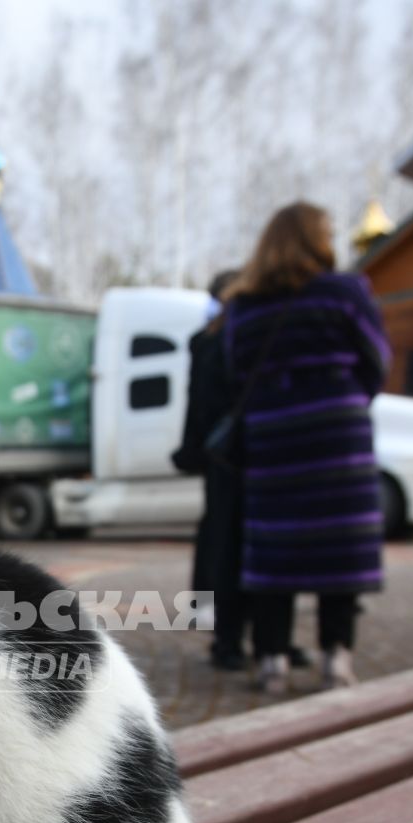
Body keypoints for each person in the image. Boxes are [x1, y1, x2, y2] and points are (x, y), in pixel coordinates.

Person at [222, 202, 390, 695]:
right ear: (317, 238)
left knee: (276, 552)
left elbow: (235, 374)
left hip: (273, 439)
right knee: (340, 553)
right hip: (337, 438)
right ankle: (336, 658)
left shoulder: (244, 307)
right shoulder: (345, 292)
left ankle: (271, 659)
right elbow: (377, 358)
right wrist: (342, 395)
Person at [172, 270, 250, 670]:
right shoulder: (210, 341)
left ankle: (252, 636)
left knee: (227, 541)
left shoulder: (215, 337)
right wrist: (196, 448)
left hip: (237, 452)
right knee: (225, 543)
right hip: (229, 454)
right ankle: (226, 637)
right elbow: (199, 403)